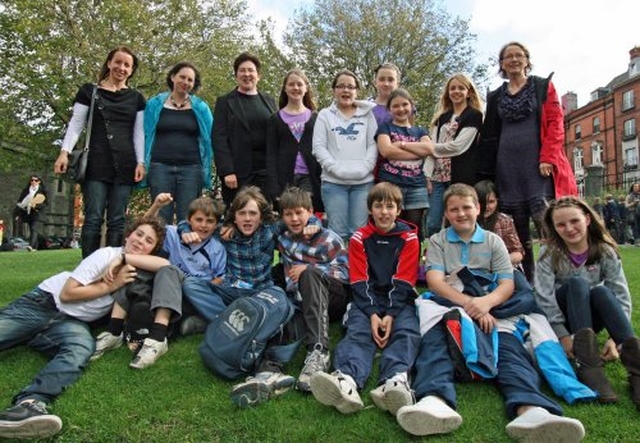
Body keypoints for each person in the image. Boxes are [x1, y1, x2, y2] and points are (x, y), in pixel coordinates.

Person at [396, 184, 587, 440]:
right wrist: (470, 305)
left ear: (478, 208)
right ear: (446, 214)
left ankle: (531, 409)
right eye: (454, 209)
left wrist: (485, 304)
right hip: (450, 302)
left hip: (493, 304)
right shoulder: (439, 240)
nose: (461, 213)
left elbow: (508, 283)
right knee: (436, 342)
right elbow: (435, 282)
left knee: (508, 348)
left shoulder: (493, 240)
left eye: (467, 207)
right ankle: (434, 400)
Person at [0, 215, 166, 439]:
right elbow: (68, 294)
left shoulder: (135, 271)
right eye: (138, 234)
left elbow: (166, 265)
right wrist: (112, 285)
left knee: (81, 349)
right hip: (43, 304)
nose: (140, 241)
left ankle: (29, 404)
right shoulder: (106, 255)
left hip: (70, 324)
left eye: (148, 241)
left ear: (152, 250)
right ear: (128, 235)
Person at [181, 186, 300, 408]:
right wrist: (183, 231)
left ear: (261, 216)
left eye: (253, 213)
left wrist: (314, 222)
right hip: (231, 291)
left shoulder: (269, 231)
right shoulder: (224, 232)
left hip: (259, 294)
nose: (247, 218)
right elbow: (188, 224)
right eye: (242, 213)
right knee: (191, 284)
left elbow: (297, 219)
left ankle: (217, 323)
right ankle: (226, 321)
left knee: (282, 299)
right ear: (233, 216)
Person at [309, 182, 421, 418]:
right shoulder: (360, 238)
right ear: (370, 209)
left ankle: (396, 381)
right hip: (366, 299)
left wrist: (389, 314)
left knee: (406, 331)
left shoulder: (409, 238)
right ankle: (346, 380)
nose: (384, 212)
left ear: (399, 210)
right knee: (359, 331)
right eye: (378, 206)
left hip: (399, 300)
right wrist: (372, 314)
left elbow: (403, 280)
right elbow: (359, 281)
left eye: (390, 206)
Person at [477, 41, 577, 282]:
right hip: (507, 170)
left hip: (537, 168)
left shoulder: (543, 86)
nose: (513, 60)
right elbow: (489, 135)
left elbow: (555, 124)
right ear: (501, 64)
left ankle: (561, 281)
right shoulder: (496, 96)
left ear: (526, 60)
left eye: (518, 55)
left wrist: (548, 157)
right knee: (519, 235)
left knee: (549, 227)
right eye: (507, 57)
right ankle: (529, 283)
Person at [534, 196, 640, 407]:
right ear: (554, 228)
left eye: (575, 221)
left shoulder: (604, 250)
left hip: (592, 318)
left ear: (587, 219)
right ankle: (588, 365)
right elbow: (543, 296)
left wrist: (612, 339)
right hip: (565, 316)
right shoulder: (549, 253)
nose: (569, 228)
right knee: (577, 284)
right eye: (561, 224)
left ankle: (636, 368)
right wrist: (563, 336)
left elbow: (620, 294)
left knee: (602, 293)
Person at [54, 46, 146, 258]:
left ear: (131, 70)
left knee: (117, 219)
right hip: (96, 161)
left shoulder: (137, 98)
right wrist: (64, 152)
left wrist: (140, 162)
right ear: (109, 63)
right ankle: (87, 268)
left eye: (127, 65)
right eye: (118, 62)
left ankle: (111, 265)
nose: (121, 68)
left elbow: (138, 133)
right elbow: (76, 124)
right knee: (93, 217)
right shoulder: (89, 91)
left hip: (125, 163)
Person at [275, 187, 351, 391]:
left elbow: (346, 272)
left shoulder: (328, 238)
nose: (294, 218)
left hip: (333, 296)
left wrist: (311, 269)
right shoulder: (283, 239)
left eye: (299, 212)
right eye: (288, 214)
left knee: (309, 274)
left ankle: (319, 351)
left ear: (309, 212)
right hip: (302, 299)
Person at [146, 193, 227, 335]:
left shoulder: (216, 248)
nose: (203, 225)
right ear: (189, 220)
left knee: (188, 289)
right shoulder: (173, 234)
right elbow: (144, 227)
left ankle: (202, 320)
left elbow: (220, 277)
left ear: (216, 225)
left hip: (196, 295)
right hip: (171, 289)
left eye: (209, 221)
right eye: (199, 220)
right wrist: (156, 206)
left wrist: (204, 291)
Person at [143, 62, 213, 224]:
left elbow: (210, 138)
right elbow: (144, 134)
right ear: (173, 77)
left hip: (191, 169)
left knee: (188, 219)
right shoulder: (154, 105)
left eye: (190, 80)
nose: (186, 82)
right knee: (161, 219)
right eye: (182, 77)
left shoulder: (201, 108)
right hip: (160, 167)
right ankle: (160, 250)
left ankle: (186, 250)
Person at [312, 69, 378, 241]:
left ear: (357, 91)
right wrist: (335, 169)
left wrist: (365, 168)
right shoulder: (324, 115)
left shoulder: (368, 114)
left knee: (359, 233)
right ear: (334, 90)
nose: (346, 90)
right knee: (337, 234)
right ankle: (338, 268)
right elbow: (318, 147)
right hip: (334, 184)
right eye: (341, 86)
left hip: (363, 183)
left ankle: (358, 269)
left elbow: (373, 144)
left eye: (350, 87)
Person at [213, 52, 277, 205]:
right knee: (239, 215)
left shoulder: (269, 101)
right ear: (236, 75)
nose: (247, 74)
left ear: (258, 75)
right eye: (242, 70)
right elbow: (219, 138)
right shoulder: (225, 102)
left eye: (251, 70)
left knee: (264, 215)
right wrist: (227, 171)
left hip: (265, 173)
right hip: (237, 174)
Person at [425, 73, 483, 236]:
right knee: (433, 222)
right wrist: (427, 175)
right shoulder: (441, 118)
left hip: (460, 176)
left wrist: (425, 147)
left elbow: (457, 147)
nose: (456, 91)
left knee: (459, 219)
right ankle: (433, 254)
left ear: (469, 92)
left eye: (461, 88)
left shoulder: (474, 115)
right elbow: (431, 147)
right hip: (438, 177)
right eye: (452, 88)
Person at [375, 88, 433, 242]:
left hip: (416, 186)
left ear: (412, 106)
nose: (401, 109)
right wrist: (416, 151)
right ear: (389, 109)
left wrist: (400, 144)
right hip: (391, 184)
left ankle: (412, 263)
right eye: (395, 106)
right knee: (390, 226)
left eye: (404, 104)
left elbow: (428, 149)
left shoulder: (420, 131)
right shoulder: (385, 128)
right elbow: (386, 151)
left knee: (413, 228)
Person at [265, 69, 323, 212]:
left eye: (299, 84)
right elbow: (271, 155)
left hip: (309, 177)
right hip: (284, 178)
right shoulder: (274, 119)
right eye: (291, 84)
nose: (295, 88)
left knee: (305, 214)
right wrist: (273, 187)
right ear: (285, 88)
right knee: (289, 216)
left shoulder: (316, 117)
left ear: (306, 88)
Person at [475, 180, 524, 269]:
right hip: (477, 269)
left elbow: (518, 253)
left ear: (497, 201)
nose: (487, 207)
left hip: (505, 267)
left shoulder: (504, 221)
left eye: (491, 202)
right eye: (482, 202)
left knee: (522, 283)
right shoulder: (468, 222)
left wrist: (500, 262)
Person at [12, 175, 48, 250]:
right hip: (28, 212)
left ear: (39, 181)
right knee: (32, 230)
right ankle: (35, 247)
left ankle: (31, 246)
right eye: (32, 180)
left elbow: (46, 203)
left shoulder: (43, 191)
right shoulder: (26, 191)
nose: (33, 182)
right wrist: (18, 214)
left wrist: (36, 205)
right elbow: (20, 203)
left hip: (38, 213)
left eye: (36, 180)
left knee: (34, 228)